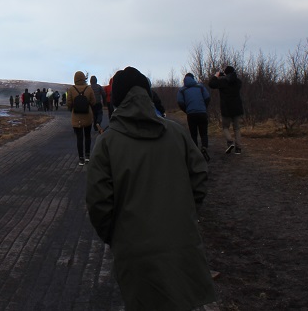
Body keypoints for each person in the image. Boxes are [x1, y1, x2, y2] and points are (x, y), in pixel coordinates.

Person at [86, 67, 216, 311]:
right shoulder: (177, 133)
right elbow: (199, 175)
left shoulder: (107, 143)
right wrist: (187, 215)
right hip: (181, 245)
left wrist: (117, 237)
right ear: (147, 94)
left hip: (135, 253)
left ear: (117, 99)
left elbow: (98, 202)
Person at [209, 65, 244, 154]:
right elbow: (233, 80)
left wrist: (216, 76)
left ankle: (230, 141)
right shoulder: (238, 82)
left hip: (226, 108)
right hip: (237, 107)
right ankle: (238, 148)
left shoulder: (223, 81)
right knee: (237, 128)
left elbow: (211, 84)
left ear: (226, 73)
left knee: (225, 127)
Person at [178, 73, 211, 161]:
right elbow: (207, 97)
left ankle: (195, 152)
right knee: (204, 132)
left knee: (193, 134)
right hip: (202, 112)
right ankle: (204, 147)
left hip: (191, 114)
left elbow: (180, 102)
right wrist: (204, 107)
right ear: (193, 78)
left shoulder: (182, 90)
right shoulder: (200, 87)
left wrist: (187, 110)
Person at [70, 71, 96, 166]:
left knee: (79, 138)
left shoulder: (72, 90)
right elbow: (93, 102)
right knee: (88, 136)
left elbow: (69, 104)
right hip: (87, 116)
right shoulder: (88, 89)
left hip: (76, 117)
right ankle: (88, 156)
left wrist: (72, 108)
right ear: (84, 78)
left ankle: (81, 159)